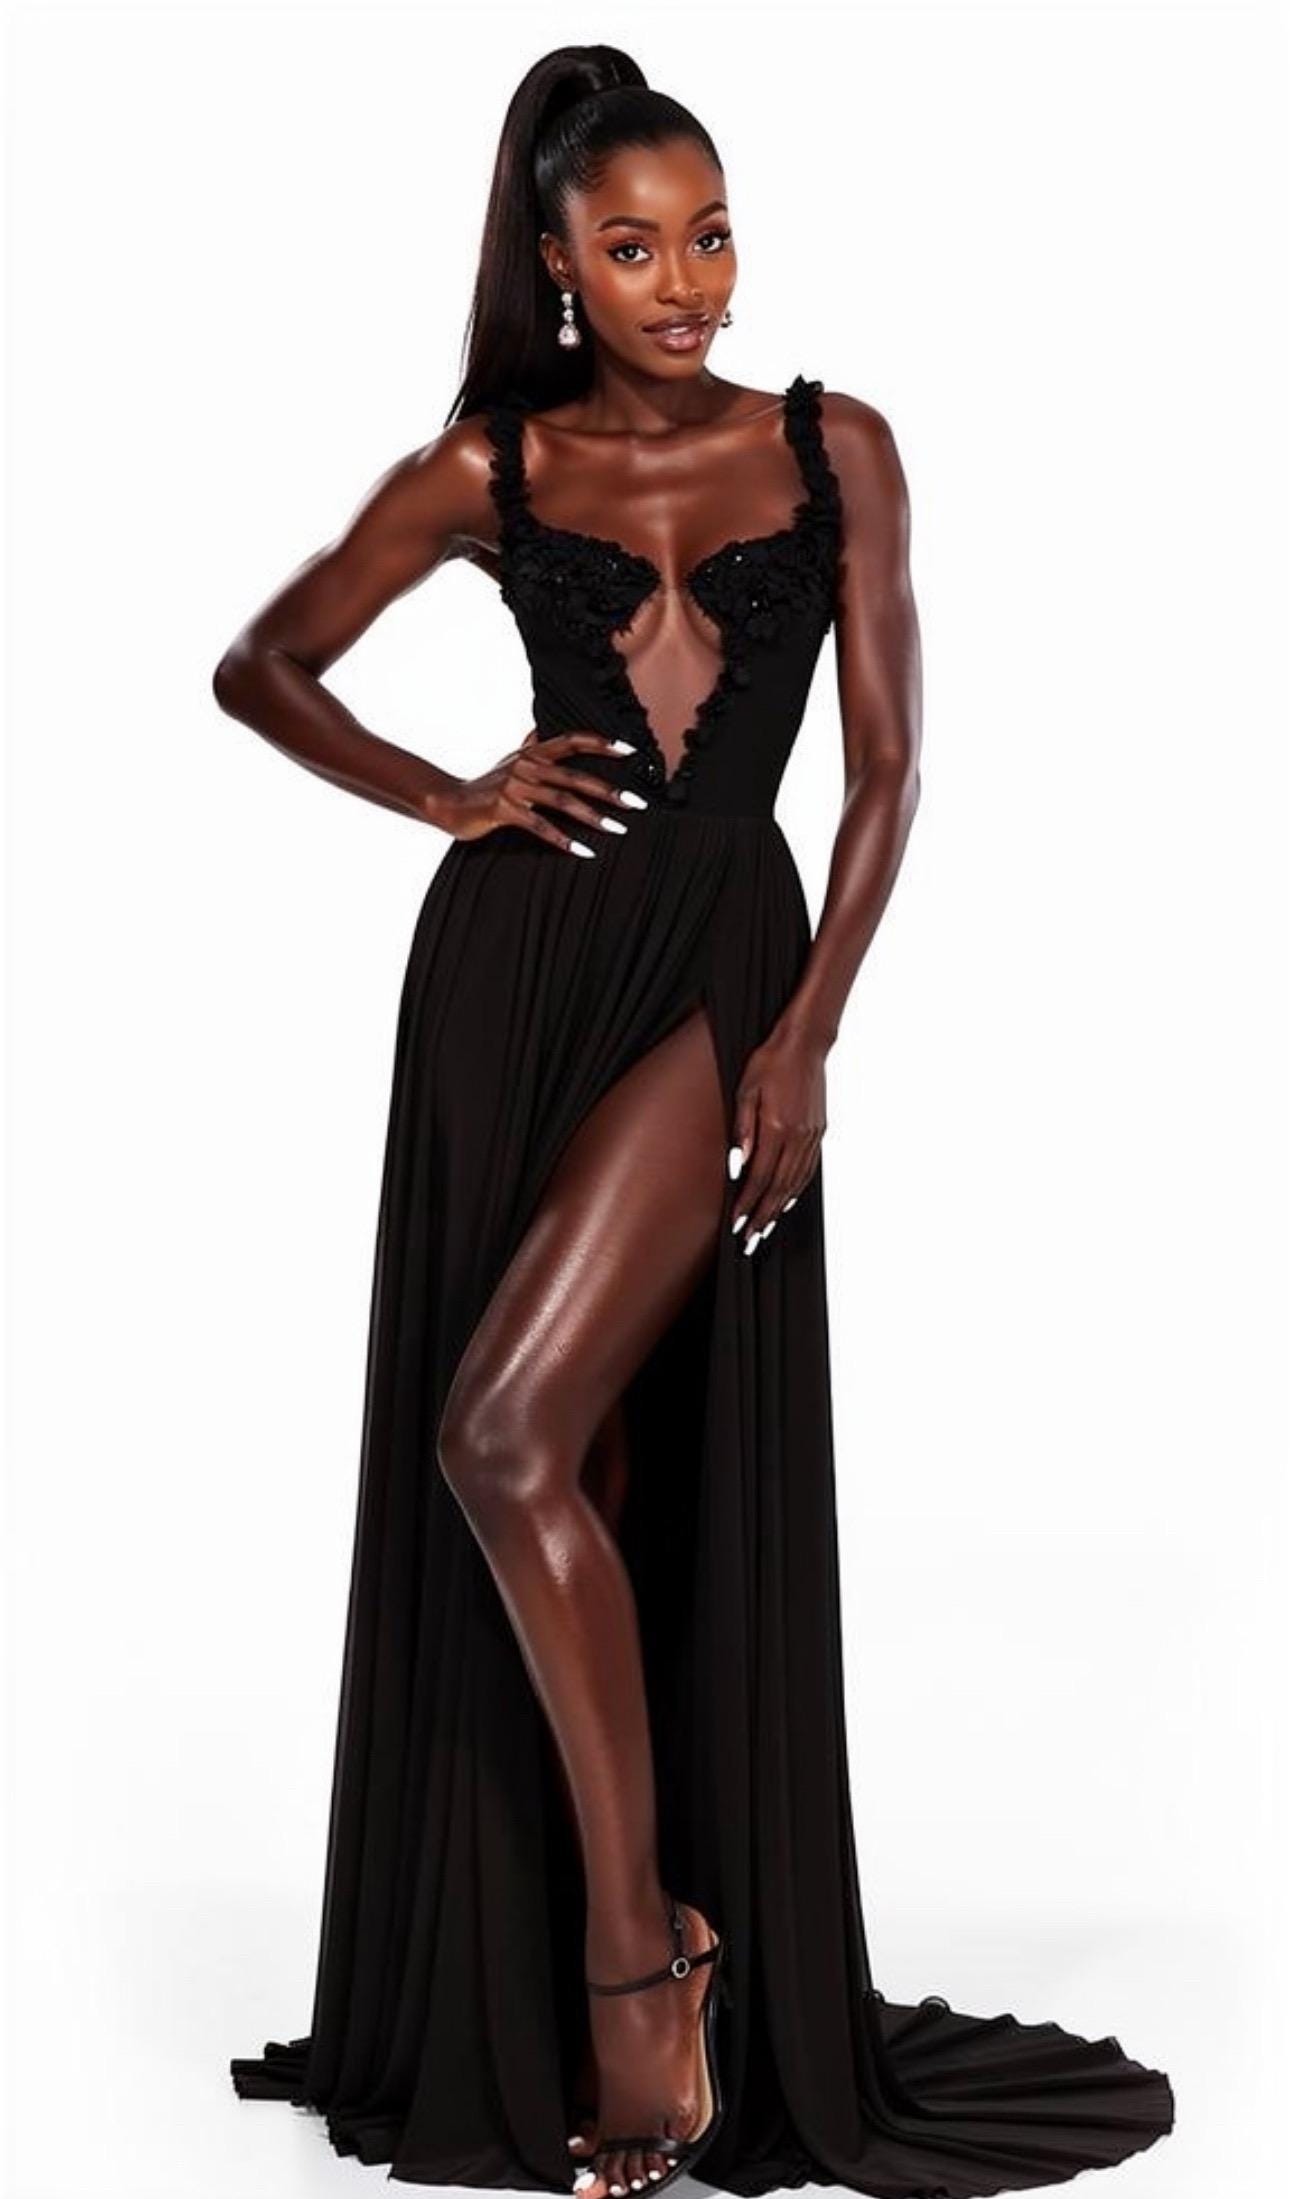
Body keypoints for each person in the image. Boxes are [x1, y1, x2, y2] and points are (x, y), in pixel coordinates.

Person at [215, 43, 1175, 2199]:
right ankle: (614, 1955)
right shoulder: (489, 465)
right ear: (558, 260)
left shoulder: (833, 446)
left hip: (721, 965)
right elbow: (263, 663)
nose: (688, 283)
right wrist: (449, 794)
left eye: (712, 235)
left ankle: (647, 1966)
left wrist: (811, 1030)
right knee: (566, 1454)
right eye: (636, 247)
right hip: (517, 975)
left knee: (502, 1436)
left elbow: (888, 766)